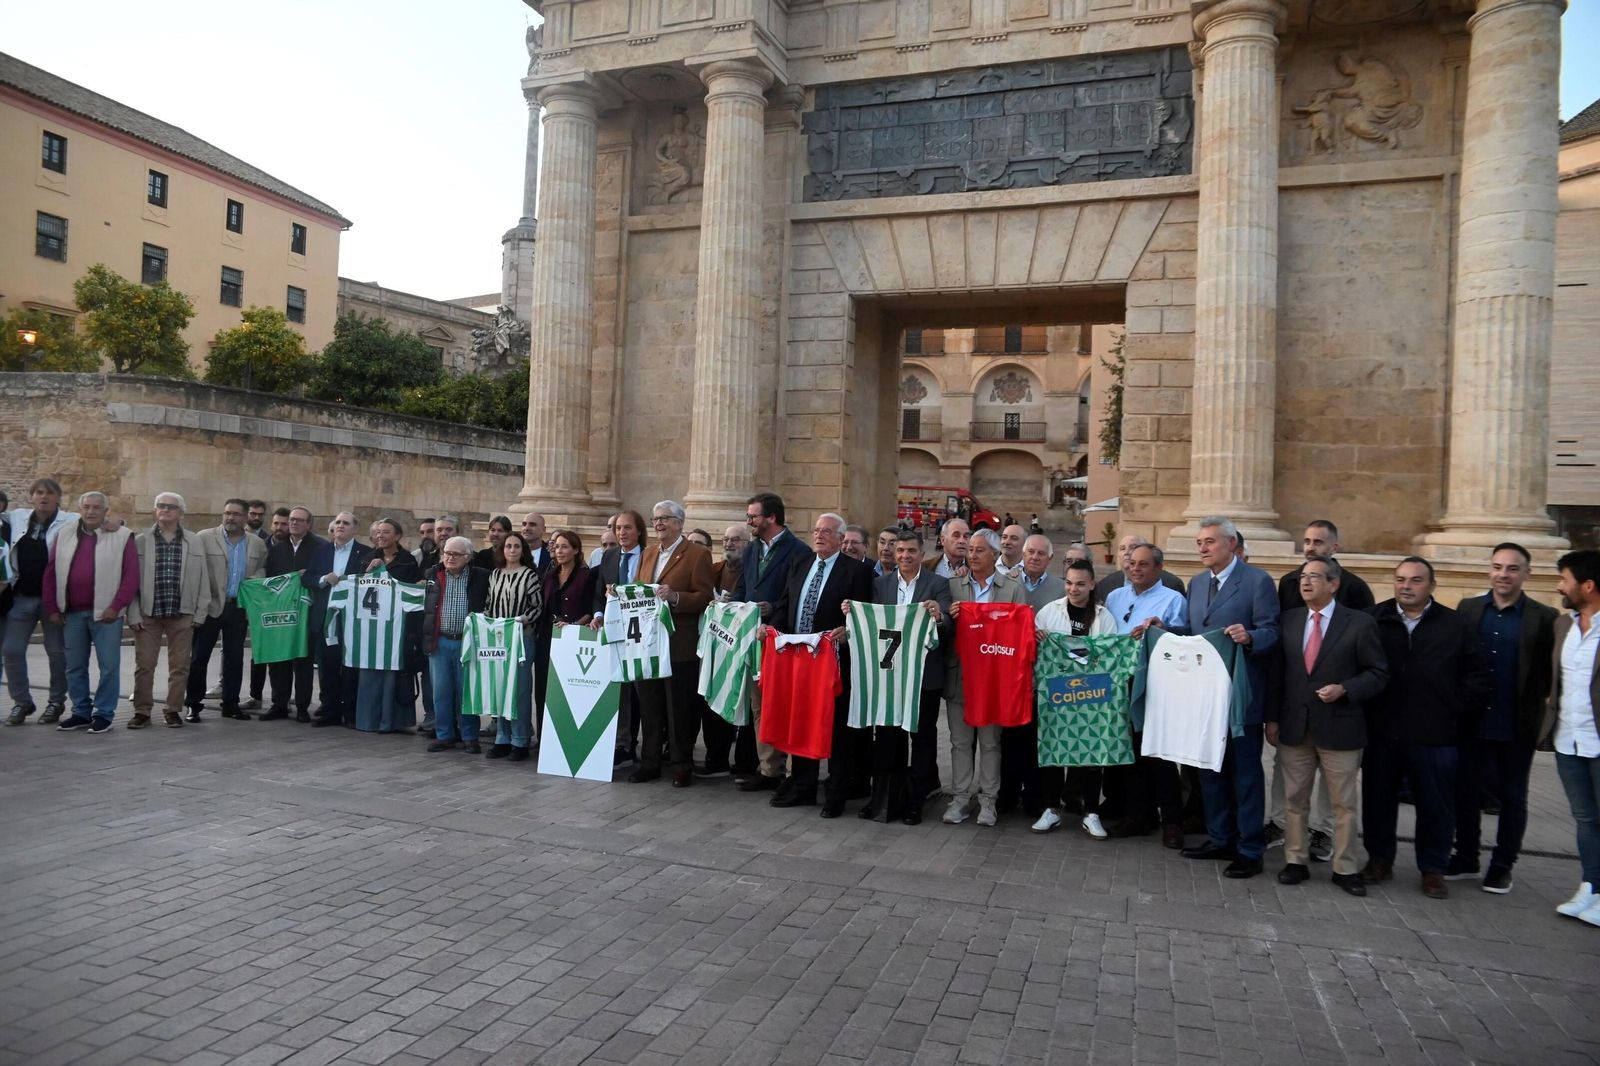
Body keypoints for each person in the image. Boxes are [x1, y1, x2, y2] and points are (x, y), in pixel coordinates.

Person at [1361, 557, 1490, 900]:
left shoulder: (1455, 625)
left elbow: (1477, 674)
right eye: (1401, 579)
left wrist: (1452, 707)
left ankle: (1432, 869)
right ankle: (1379, 861)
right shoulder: (1374, 620)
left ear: (1431, 585)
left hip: (1435, 733)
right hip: (1383, 731)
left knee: (1435, 804)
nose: (1406, 586)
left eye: (1416, 580)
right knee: (1377, 800)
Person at [1266, 555, 1388, 897]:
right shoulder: (1288, 620)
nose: (1305, 582)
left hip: (1340, 727)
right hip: (1295, 726)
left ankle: (1345, 867)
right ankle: (1295, 860)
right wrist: (1272, 718)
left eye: (1315, 577)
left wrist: (1345, 689)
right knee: (1294, 799)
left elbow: (1378, 673)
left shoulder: (1359, 623)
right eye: (1302, 577)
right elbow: (1278, 675)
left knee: (1342, 803)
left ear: (1333, 584)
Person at [1447, 543, 1558, 893]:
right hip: (1472, 722)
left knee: (1513, 798)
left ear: (1527, 574)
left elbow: (1549, 674)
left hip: (1516, 724)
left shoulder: (1545, 618)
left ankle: (1502, 865)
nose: (1503, 574)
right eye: (1497, 567)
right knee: (1465, 794)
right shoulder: (1467, 609)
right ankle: (1466, 857)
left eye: (1512, 568)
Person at [1179, 516, 1280, 879]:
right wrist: (1164, 629)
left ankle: (1250, 848)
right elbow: (1193, 632)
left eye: (1209, 542)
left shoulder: (1258, 582)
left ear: (1232, 544)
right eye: (1199, 543)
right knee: (1209, 771)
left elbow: (1272, 632)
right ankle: (1220, 837)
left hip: (1241, 697)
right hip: (1204, 698)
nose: (1202, 548)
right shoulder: (1197, 582)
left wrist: (1250, 636)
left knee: (1246, 776)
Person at [767, 512, 872, 816]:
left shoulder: (856, 572)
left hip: (834, 663)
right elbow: (786, 604)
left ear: (841, 539)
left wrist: (847, 632)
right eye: (816, 530)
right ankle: (803, 787)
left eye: (827, 531)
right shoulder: (800, 564)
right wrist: (771, 626)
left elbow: (863, 616)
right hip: (798, 661)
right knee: (801, 724)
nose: (819, 535)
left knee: (837, 730)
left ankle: (836, 794)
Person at [859, 528, 951, 825]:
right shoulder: (881, 584)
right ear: (893, 553)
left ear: (921, 555)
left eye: (911, 551)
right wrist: (853, 612)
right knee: (887, 738)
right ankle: (884, 799)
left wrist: (939, 615)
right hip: (890, 674)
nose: (905, 556)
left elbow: (948, 621)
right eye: (900, 551)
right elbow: (871, 621)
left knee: (922, 739)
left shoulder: (937, 584)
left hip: (924, 676)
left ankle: (916, 801)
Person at [628, 501, 716, 787]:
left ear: (679, 522)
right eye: (655, 519)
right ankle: (650, 761)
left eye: (665, 519)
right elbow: (639, 591)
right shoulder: (647, 553)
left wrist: (675, 597)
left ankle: (681, 764)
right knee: (650, 705)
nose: (658, 524)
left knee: (679, 708)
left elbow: (704, 596)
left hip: (679, 643)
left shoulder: (697, 554)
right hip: (648, 643)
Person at [943, 529, 1026, 828]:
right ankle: (961, 798)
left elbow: (1020, 633)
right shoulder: (953, 586)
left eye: (979, 550)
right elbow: (940, 627)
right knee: (960, 742)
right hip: (961, 677)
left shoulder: (1013, 588)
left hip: (994, 680)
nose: (972, 555)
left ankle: (989, 801)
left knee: (991, 743)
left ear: (994, 555)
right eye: (970, 550)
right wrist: (946, 616)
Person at [1031, 557, 1117, 837]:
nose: (1073, 589)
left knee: (1091, 754)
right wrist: (1036, 638)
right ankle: (1051, 809)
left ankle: (1091, 812)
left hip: (1091, 694)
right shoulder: (1048, 613)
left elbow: (1109, 655)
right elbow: (1034, 654)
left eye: (1080, 584)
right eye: (1069, 583)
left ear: (1092, 584)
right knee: (1053, 752)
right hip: (1055, 694)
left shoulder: (1104, 617)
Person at [734, 493, 813, 790]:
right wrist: (732, 605)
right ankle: (768, 768)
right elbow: (744, 585)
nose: (749, 522)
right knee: (759, 705)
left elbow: (796, 596)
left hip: (782, 639)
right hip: (752, 638)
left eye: (753, 516)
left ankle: (791, 770)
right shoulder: (752, 549)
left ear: (771, 518)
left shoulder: (799, 551)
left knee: (785, 705)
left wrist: (775, 610)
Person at [43, 491, 137, 732]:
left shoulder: (122, 536)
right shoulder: (64, 534)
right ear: (80, 508)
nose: (91, 511)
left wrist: (116, 606)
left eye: (96, 507)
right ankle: (80, 712)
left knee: (109, 667)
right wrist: (53, 607)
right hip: (72, 613)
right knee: (74, 666)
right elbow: (51, 572)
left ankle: (104, 713)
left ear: (106, 511)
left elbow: (131, 576)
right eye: (86, 506)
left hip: (106, 615)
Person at [122, 493, 209, 730]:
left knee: (180, 666)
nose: (165, 510)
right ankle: (142, 711)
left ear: (181, 512)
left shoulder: (194, 541)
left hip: (182, 613)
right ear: (155, 510)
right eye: (161, 506)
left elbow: (204, 579)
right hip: (148, 613)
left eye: (171, 507)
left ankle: (173, 710)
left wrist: (199, 613)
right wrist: (133, 613)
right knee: (145, 664)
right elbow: (130, 581)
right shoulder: (140, 541)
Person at [1546, 549, 1600, 926]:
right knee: (1585, 819)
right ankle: (1591, 887)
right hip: (1568, 738)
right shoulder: (1563, 626)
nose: (1559, 586)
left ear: (1588, 585)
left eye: (1565, 579)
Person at [3, 478, 76, 725]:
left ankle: (56, 702)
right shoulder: (18, 517)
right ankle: (21, 702)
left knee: (56, 653)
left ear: (58, 497)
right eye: (39, 493)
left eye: (49, 493)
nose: (43, 497)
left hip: (53, 600)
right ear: (31, 496)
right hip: (22, 597)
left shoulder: (71, 520)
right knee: (11, 650)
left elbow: (95, 521)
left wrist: (115, 522)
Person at [188, 498, 268, 722]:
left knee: (234, 658)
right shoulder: (204, 537)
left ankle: (231, 704)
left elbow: (263, 567)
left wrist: (257, 578)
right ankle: (193, 704)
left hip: (238, 608)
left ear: (245, 518)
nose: (230, 518)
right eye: (226, 513)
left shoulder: (256, 543)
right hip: (210, 606)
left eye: (235, 514)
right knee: (199, 657)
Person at [592, 510, 648, 765]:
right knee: (621, 693)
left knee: (645, 694)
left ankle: (651, 749)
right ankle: (623, 745)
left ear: (639, 531)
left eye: (627, 528)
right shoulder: (609, 557)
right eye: (618, 528)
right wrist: (598, 614)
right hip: (616, 635)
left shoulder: (651, 556)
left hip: (644, 636)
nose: (622, 533)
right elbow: (598, 594)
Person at [424, 535, 490, 750]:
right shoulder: (433, 574)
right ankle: (444, 734)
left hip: (467, 642)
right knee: (441, 691)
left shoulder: (481, 577)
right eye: (447, 553)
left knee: (467, 692)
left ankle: (469, 735)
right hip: (440, 640)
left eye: (456, 554)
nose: (450, 558)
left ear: (468, 557)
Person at [308, 512, 373, 728]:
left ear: (355, 529)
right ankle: (329, 710)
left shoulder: (366, 554)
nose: (341, 526)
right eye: (338, 522)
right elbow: (306, 578)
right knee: (327, 668)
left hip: (353, 620)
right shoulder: (320, 551)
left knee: (351, 668)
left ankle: (351, 712)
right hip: (326, 619)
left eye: (346, 523)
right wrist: (323, 579)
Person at [262, 506, 325, 722]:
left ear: (309, 524)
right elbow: (269, 577)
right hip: (282, 613)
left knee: (303, 662)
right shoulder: (277, 548)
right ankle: (279, 704)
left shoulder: (320, 547)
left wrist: (306, 577)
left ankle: (301, 707)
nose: (294, 523)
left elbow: (322, 577)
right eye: (291, 520)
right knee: (279, 659)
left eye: (299, 520)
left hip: (307, 613)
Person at [485, 531, 543, 761]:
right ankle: (502, 738)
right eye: (508, 546)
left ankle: (520, 740)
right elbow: (489, 604)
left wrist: (518, 621)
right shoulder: (495, 575)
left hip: (521, 638)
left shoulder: (529, 575)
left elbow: (537, 607)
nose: (511, 550)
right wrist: (488, 623)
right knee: (499, 688)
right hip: (498, 640)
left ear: (523, 550)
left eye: (516, 546)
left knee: (519, 690)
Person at [418, 515, 461, 735]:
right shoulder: (425, 562)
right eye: (439, 529)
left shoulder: (473, 569)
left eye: (448, 529)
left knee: (460, 688)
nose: (443, 533)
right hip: (433, 635)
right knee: (436, 686)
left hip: (461, 638)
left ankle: (461, 729)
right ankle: (437, 724)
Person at [1276, 520, 1375, 611]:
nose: (1310, 548)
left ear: (1334, 548)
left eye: (1317, 542)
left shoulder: (1354, 586)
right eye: (1307, 542)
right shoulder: (1288, 583)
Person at [1095, 534, 1184, 604]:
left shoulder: (1172, 584)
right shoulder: (1106, 585)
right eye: (1122, 548)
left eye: (1133, 547)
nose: (1127, 552)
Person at [1018, 534, 1065, 611]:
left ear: (1050, 558)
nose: (1035, 557)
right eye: (1031, 551)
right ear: (1023, 554)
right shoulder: (1008, 582)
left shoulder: (1061, 589)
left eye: (1041, 553)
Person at [712, 524, 750, 598]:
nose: (728, 544)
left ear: (748, 544)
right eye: (726, 539)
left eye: (735, 540)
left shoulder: (754, 571)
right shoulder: (714, 569)